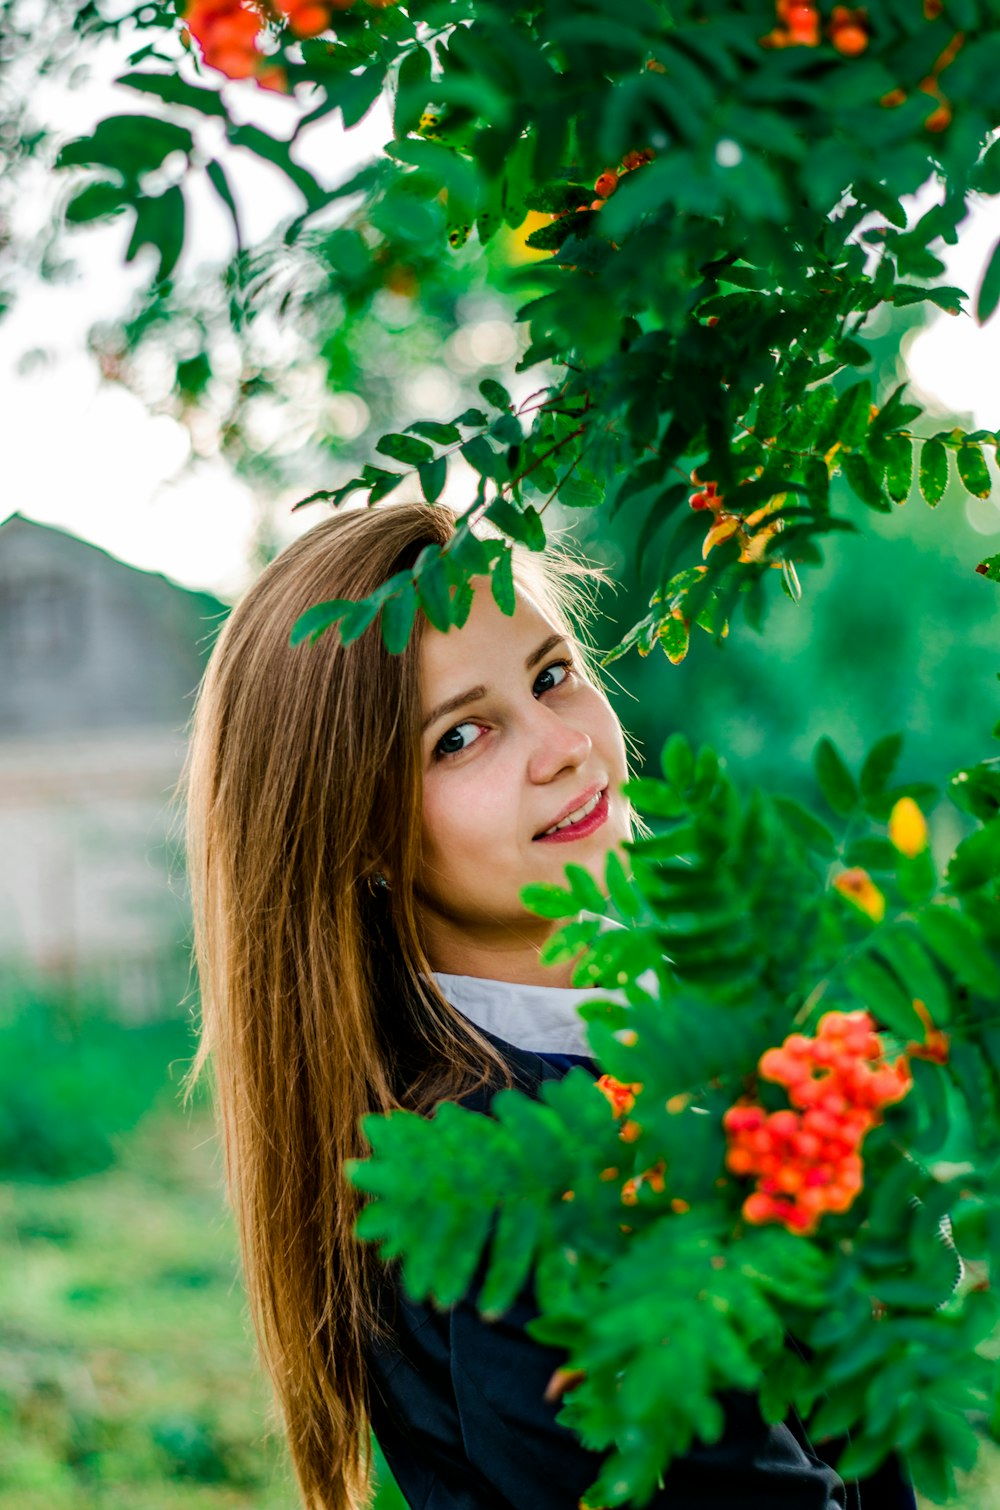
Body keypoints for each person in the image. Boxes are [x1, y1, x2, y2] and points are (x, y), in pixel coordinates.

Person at [184, 500, 909, 1510]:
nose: (562, 746)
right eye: (463, 735)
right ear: (360, 836)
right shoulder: (512, 1186)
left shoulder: (672, 1054)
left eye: (551, 675)